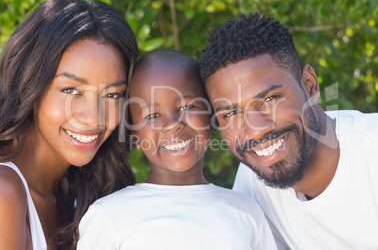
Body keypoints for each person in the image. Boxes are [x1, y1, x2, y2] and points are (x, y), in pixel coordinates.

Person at [198, 13, 378, 249]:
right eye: (231, 114)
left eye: (269, 99)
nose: (255, 131)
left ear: (309, 85)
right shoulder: (253, 181)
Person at [77, 49, 278, 249]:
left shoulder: (247, 213)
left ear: (213, 117)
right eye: (152, 116)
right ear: (134, 135)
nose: (173, 124)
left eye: (186, 107)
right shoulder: (109, 216)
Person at [0, 0, 138, 249]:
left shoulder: (81, 196)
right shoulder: (4, 192)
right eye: (71, 90)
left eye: (112, 95)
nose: (94, 117)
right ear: (29, 85)